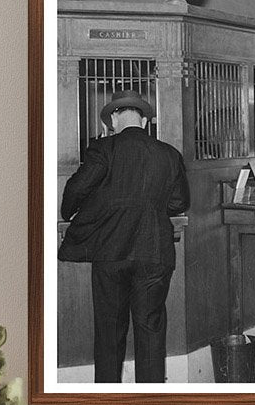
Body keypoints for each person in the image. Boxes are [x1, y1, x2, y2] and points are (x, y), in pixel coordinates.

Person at [58, 89, 190, 383]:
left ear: (115, 119)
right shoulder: (169, 154)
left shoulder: (102, 149)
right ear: (144, 121)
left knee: (108, 331)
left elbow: (77, 190)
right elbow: (179, 203)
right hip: (154, 252)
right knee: (151, 329)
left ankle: (107, 401)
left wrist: (69, 213)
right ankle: (151, 404)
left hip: (110, 252)